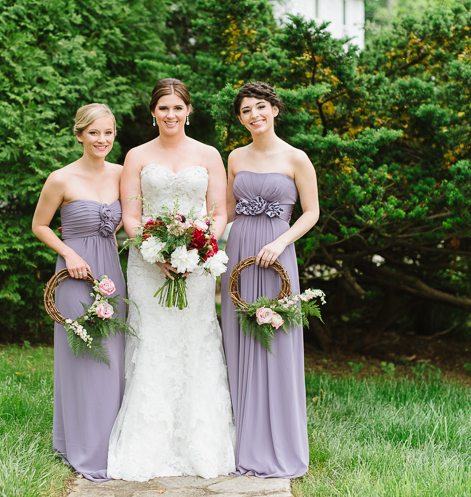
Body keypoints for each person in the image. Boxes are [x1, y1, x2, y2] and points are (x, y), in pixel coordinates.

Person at [107, 79, 235, 481]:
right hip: (149, 265)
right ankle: (148, 444)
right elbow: (131, 212)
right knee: (153, 343)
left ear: (188, 111)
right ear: (153, 112)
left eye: (178, 108)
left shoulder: (209, 154)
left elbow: (218, 212)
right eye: (163, 108)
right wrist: (155, 250)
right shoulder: (137, 155)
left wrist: (198, 249)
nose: (171, 115)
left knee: (194, 342)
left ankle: (201, 445)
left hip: (197, 267)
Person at [220, 82, 319, 478]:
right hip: (240, 253)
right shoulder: (235, 157)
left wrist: (281, 241)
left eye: (260, 107)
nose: (254, 115)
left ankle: (279, 443)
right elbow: (225, 211)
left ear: (276, 109)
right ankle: (242, 439)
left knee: (275, 338)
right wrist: (193, 244)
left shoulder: (297, 158)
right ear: (241, 118)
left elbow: (311, 213)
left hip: (278, 253)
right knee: (239, 335)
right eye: (245, 110)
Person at [31, 103, 125, 482]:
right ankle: (81, 446)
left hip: (112, 272)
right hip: (75, 272)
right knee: (83, 355)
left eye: (108, 133)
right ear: (79, 135)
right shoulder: (61, 178)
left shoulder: (122, 175)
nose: (101, 140)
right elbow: (40, 225)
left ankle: (113, 443)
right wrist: (68, 252)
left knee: (115, 357)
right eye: (94, 133)